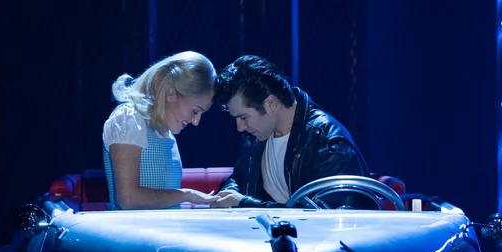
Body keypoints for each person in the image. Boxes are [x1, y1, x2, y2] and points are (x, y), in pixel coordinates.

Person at [210, 54, 370, 209]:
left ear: (270, 103)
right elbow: (239, 178)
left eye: (244, 117)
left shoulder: (325, 141)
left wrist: (245, 203)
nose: (240, 127)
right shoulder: (258, 135)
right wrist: (228, 193)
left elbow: (325, 215)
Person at [102, 51, 222, 210]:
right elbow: (128, 199)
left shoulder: (165, 131)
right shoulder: (129, 119)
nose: (196, 121)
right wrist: (186, 195)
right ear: (171, 93)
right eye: (195, 111)